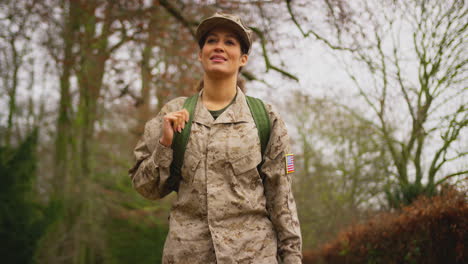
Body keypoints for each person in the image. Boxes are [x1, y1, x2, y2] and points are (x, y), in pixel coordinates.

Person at [128, 12, 302, 264]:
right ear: (200, 54)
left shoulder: (266, 118)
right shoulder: (172, 114)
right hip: (187, 255)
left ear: (243, 58)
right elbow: (145, 187)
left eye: (230, 42)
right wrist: (165, 144)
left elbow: (282, 198)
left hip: (253, 255)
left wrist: (292, 258)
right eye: (211, 40)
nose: (219, 46)